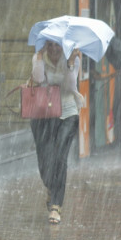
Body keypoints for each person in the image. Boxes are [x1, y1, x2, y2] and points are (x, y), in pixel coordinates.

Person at [30, 42, 83, 225]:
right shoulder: (39, 57)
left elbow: (70, 87)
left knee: (60, 156)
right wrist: (39, 57)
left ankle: (56, 205)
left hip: (67, 113)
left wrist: (69, 63)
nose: (53, 49)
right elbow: (37, 80)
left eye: (57, 45)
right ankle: (51, 187)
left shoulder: (73, 60)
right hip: (43, 115)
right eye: (50, 45)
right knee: (44, 161)